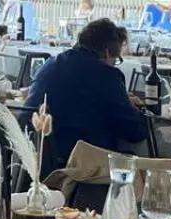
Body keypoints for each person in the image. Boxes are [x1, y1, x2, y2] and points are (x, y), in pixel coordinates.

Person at [22, 18, 147, 176]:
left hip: (31, 161)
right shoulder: (105, 75)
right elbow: (135, 131)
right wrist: (139, 108)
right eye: (115, 60)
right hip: (80, 172)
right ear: (108, 53)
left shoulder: (51, 63)